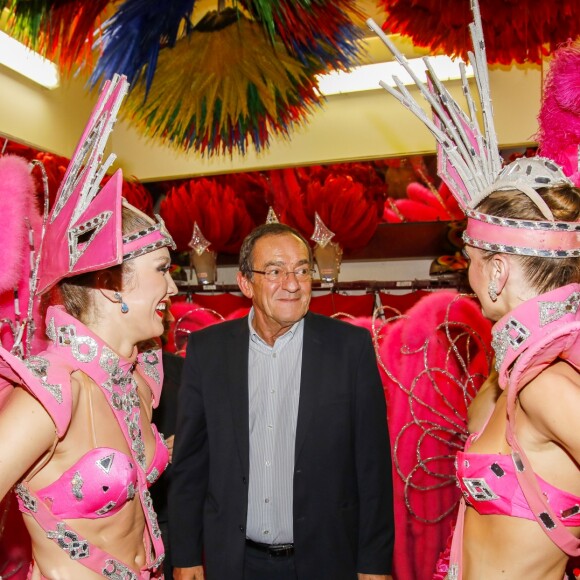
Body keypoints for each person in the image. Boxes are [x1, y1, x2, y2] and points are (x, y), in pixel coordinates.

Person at [369, 1, 580, 577]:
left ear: (497, 270)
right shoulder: (511, 371)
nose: (466, 275)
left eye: (470, 259)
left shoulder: (545, 381)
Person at [0, 74, 179, 578]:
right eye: (163, 271)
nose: (174, 290)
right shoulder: (53, 389)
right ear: (109, 282)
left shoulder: (139, 379)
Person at [168, 222, 394, 580]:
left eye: (302, 270)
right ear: (246, 283)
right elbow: (191, 464)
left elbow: (373, 467)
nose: (292, 284)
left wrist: (374, 563)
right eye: (275, 271)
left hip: (326, 558)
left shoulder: (349, 349)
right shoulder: (208, 352)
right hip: (235, 561)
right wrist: (185, 553)